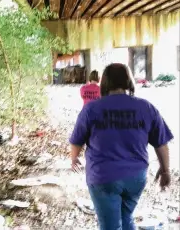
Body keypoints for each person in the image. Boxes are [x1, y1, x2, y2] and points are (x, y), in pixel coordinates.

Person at [69, 63, 173, 230]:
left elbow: (76, 141)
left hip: (103, 177)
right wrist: (165, 170)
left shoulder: (92, 109)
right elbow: (161, 143)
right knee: (126, 218)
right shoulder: (146, 107)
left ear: (104, 83)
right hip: (136, 177)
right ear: (128, 81)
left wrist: (74, 159)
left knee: (110, 225)